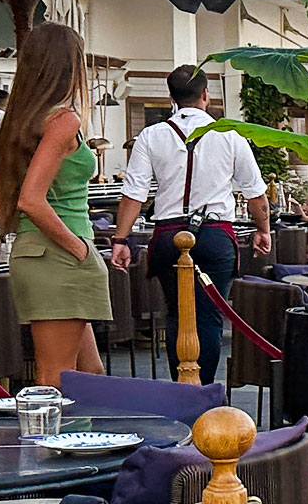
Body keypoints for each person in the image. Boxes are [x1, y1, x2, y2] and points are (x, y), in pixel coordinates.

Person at [109, 65, 271, 385]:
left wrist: (120, 240)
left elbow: (134, 194)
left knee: (177, 314)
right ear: (206, 95)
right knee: (209, 318)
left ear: (171, 98)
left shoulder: (152, 135)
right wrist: (263, 230)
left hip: (169, 235)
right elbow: (256, 193)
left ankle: (181, 389)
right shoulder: (230, 134)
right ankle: (204, 390)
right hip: (214, 235)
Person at [0, 23, 111, 385]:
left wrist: (27, 231)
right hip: (62, 254)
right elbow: (31, 200)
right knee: (57, 378)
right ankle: (48, 444)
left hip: (36, 253)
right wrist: (78, 248)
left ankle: (77, 439)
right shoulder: (62, 120)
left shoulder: (21, 120)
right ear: (71, 67)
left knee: (90, 375)